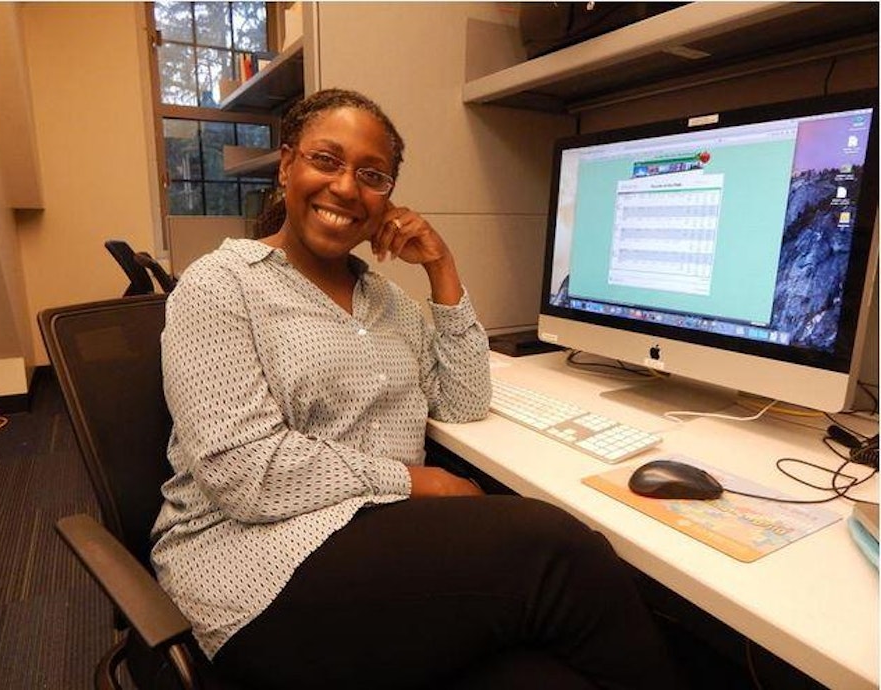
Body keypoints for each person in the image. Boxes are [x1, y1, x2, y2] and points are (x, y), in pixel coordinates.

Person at [151, 88, 681, 689]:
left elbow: (463, 398)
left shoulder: (387, 302)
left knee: (544, 679)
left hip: (382, 552)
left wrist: (441, 268)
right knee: (556, 550)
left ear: (387, 199)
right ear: (287, 166)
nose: (347, 188)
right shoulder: (220, 284)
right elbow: (244, 471)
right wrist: (417, 481)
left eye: (371, 175)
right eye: (326, 160)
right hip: (254, 574)